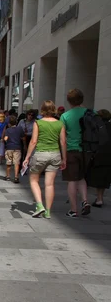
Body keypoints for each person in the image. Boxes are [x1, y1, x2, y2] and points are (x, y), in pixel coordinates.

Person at [23, 101, 67, 218]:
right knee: (49, 184)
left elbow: (33, 141)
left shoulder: (38, 123)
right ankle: (48, 211)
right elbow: (63, 142)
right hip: (55, 154)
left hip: (40, 154)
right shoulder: (60, 123)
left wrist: (27, 157)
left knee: (33, 180)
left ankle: (39, 205)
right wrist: (64, 158)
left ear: (42, 110)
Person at [60, 88, 91, 218]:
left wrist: (63, 158)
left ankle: (73, 209)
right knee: (82, 177)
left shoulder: (65, 116)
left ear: (69, 101)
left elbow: (62, 139)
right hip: (87, 150)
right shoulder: (90, 113)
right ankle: (85, 201)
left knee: (72, 180)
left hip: (72, 150)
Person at [86, 109, 111, 207]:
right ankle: (99, 198)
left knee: (98, 177)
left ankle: (99, 198)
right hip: (109, 156)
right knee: (104, 178)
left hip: (98, 155)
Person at [3, 115, 24, 183]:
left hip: (9, 147)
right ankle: (16, 177)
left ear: (9, 123)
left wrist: (4, 141)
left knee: (9, 162)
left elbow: (5, 138)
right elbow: (23, 138)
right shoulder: (20, 129)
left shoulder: (8, 130)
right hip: (17, 147)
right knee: (16, 163)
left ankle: (8, 176)